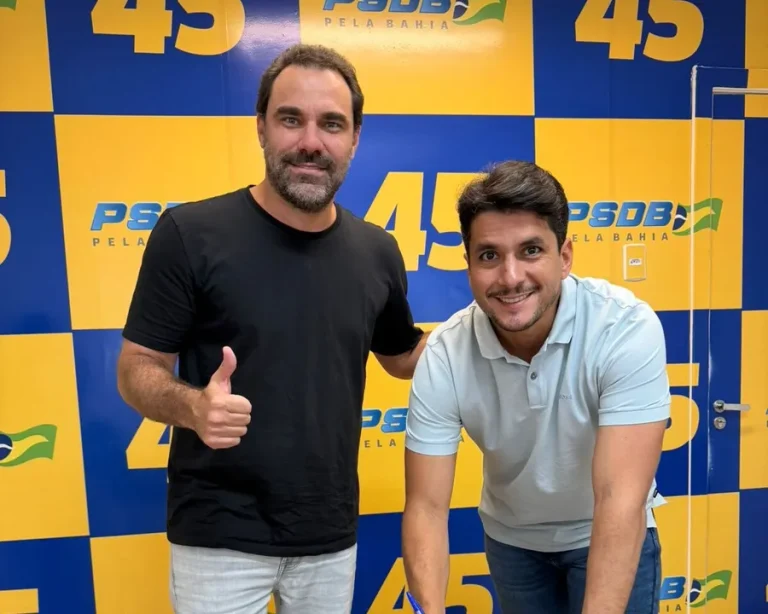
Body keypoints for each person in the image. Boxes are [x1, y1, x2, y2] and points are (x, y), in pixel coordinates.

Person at [116, 43, 427, 614]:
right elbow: (137, 368)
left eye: (331, 123)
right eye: (291, 119)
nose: (311, 141)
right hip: (218, 534)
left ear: (354, 138)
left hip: (329, 533)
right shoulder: (188, 234)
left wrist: (489, 328)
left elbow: (402, 356)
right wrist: (193, 408)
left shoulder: (377, 250)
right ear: (260, 127)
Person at [400, 160, 670, 614]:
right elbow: (426, 507)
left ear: (564, 257)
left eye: (530, 251)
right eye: (489, 255)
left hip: (606, 530)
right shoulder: (445, 352)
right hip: (513, 543)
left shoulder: (623, 327)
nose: (510, 278)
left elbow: (619, 500)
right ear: (468, 265)